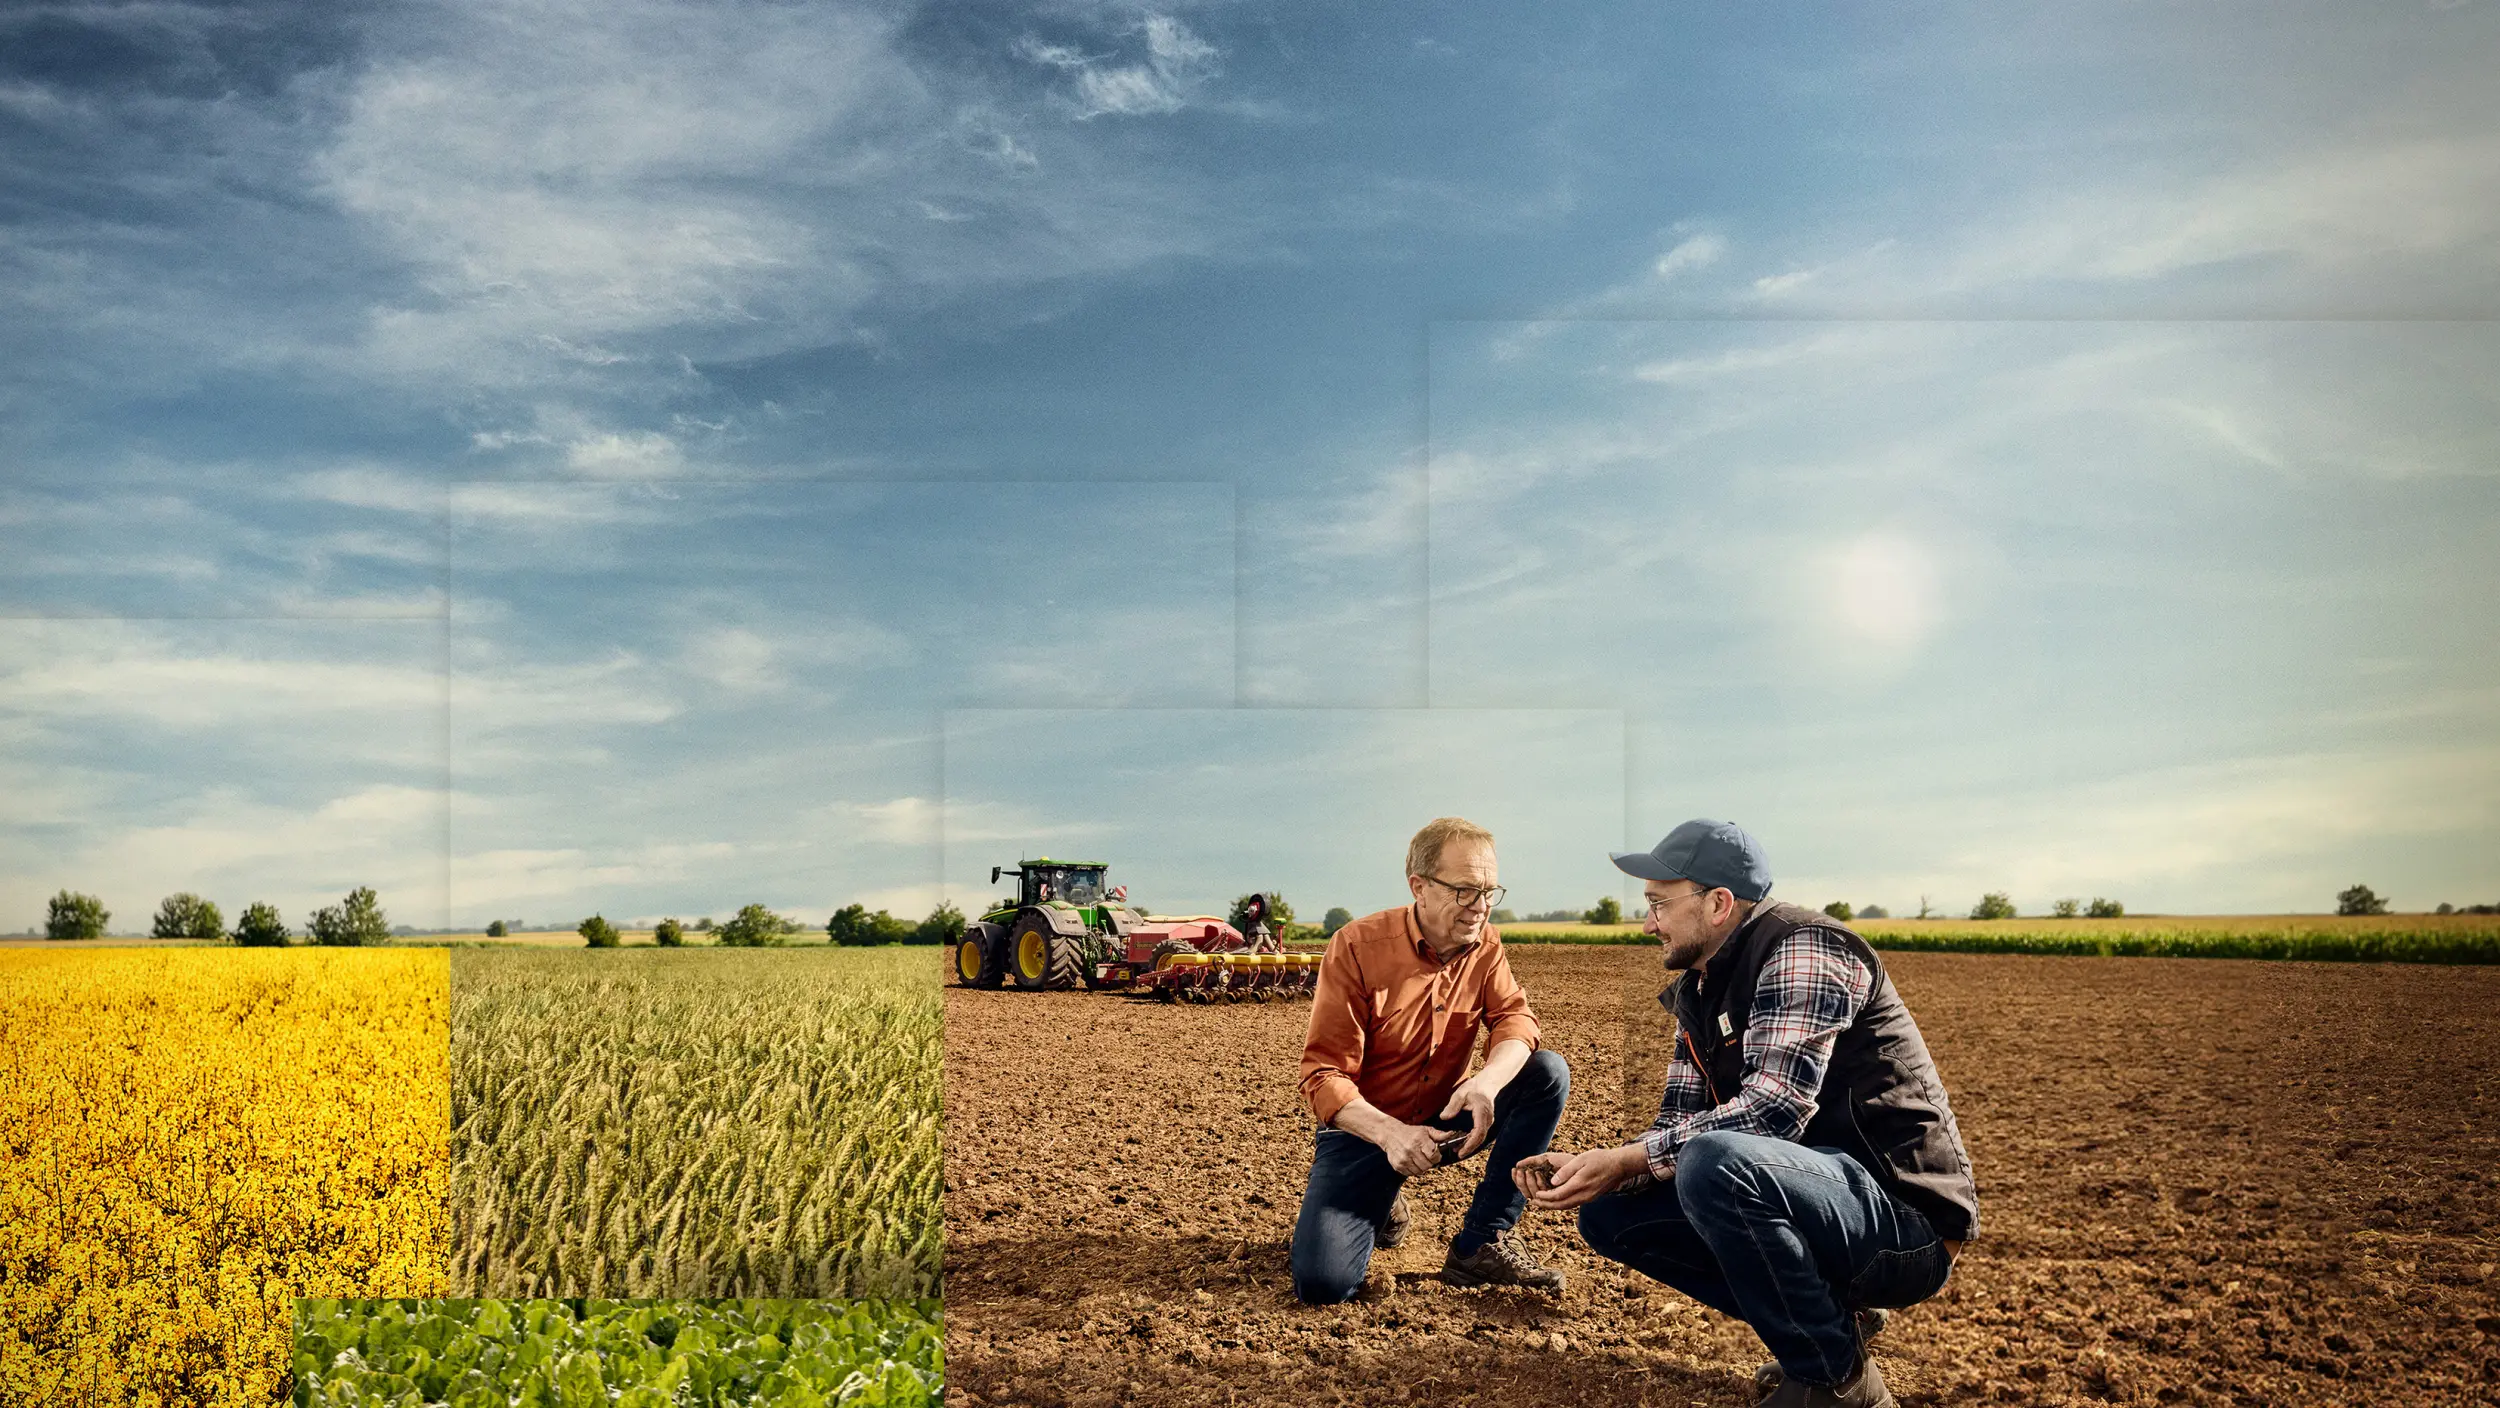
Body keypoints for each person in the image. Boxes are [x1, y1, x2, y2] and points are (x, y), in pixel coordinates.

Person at [1513, 820, 1979, 1408]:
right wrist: (1597, 1167)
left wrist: (1629, 1157)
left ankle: (1838, 1384)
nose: (1647, 922)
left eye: (1659, 903)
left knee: (1716, 1162)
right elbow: (1674, 1125)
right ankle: (1832, 1335)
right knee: (1612, 1212)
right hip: (1821, 1202)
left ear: (1719, 903)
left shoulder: (1804, 946)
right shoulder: (1700, 991)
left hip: (1903, 1221)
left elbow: (1772, 1111)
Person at [1290, 816, 1573, 1304]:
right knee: (1324, 1285)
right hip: (1366, 1130)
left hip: (1446, 1120)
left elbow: (1514, 1020)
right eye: (1465, 891)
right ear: (1418, 886)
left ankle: (1482, 1242)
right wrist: (1391, 1135)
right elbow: (1323, 1075)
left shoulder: (1485, 946)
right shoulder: (1356, 948)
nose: (1480, 907)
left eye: (1489, 891)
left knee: (1546, 1072)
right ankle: (1382, 1199)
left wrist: (1487, 1081)